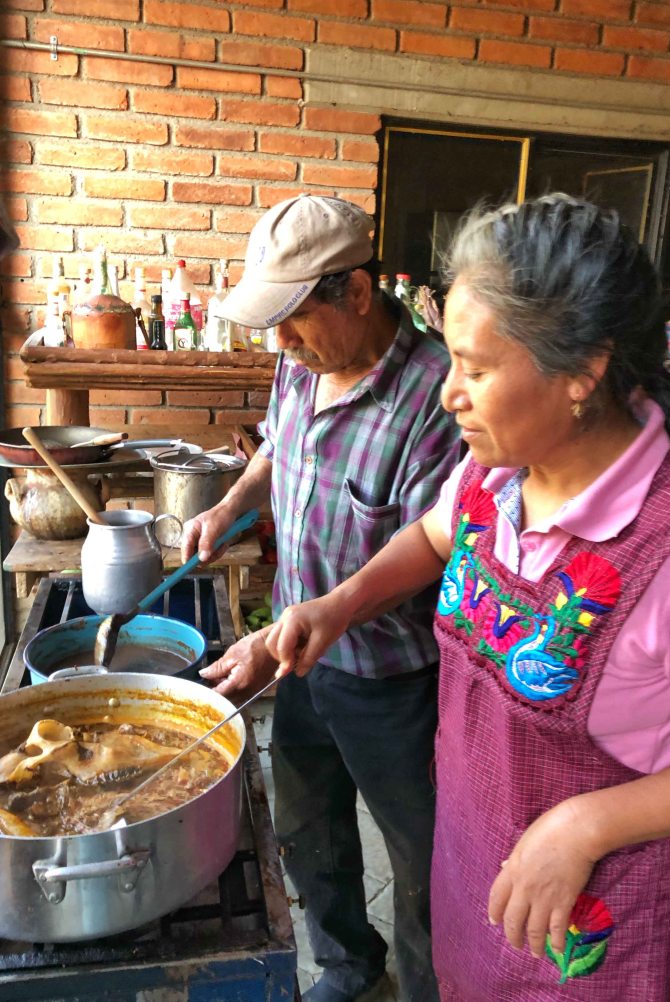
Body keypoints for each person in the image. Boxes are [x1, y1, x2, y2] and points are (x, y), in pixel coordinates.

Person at [263, 194, 670, 1001]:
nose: (447, 394)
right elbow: (432, 539)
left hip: (597, 927)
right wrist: (340, 604)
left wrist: (587, 822)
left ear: (582, 371)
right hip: (478, 869)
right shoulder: (493, 472)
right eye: (451, 361)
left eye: (477, 368)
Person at [181, 194, 461, 1002]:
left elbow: (429, 551)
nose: (282, 342)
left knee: (421, 863)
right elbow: (277, 441)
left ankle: (426, 988)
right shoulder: (299, 361)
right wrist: (230, 505)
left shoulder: (439, 396)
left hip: (393, 681)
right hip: (300, 657)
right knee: (308, 832)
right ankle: (349, 966)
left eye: (296, 316)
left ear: (359, 293)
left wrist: (325, 617)